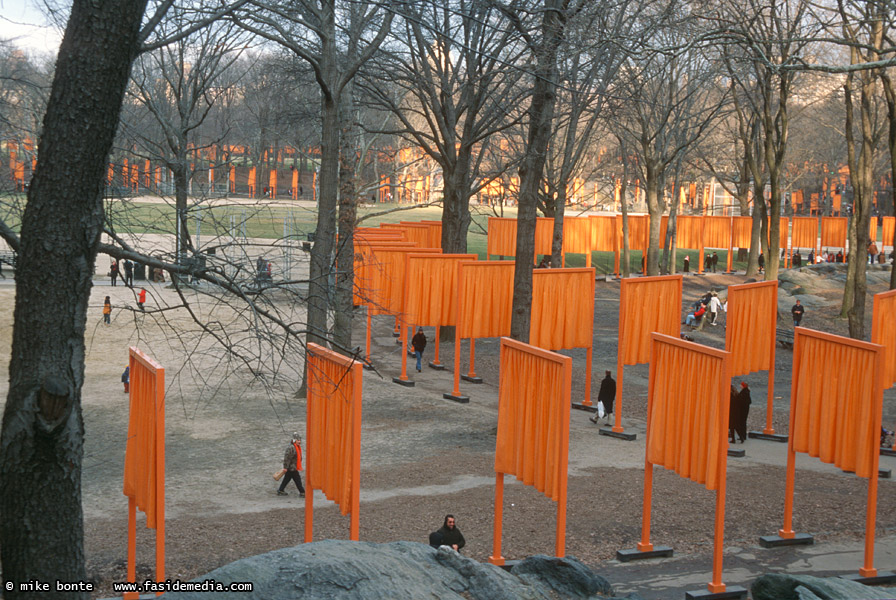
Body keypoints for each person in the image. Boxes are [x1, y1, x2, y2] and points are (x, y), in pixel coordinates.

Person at [277, 432, 305, 497]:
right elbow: (287, 458)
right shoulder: (291, 448)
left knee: (287, 478)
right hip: (292, 467)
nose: (299, 441)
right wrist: (285, 467)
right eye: (298, 440)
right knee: (297, 479)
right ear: (294, 440)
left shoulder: (296, 447)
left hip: (292, 467)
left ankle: (281, 490)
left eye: (300, 440)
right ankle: (302, 492)